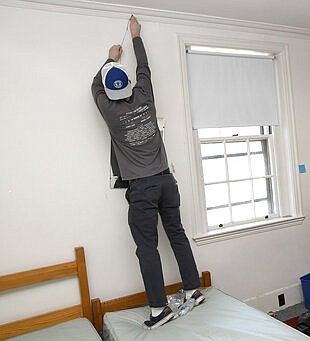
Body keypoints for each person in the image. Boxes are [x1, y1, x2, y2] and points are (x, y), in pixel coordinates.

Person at [91, 15, 204, 329]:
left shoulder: (110, 111)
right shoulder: (145, 96)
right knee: (177, 234)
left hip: (142, 188)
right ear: (129, 85)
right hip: (167, 181)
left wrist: (108, 59)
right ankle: (193, 289)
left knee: (146, 248)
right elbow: (144, 68)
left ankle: (159, 310)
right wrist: (135, 37)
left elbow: (94, 86)